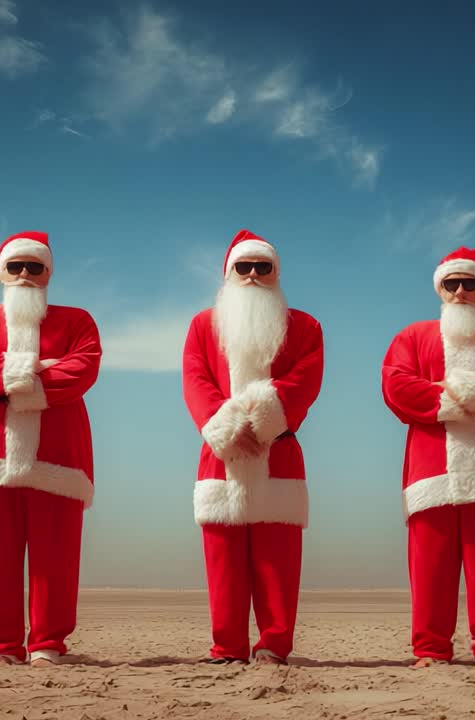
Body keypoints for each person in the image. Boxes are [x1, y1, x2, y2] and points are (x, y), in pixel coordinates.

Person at [0, 231, 102, 668]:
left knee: (58, 559)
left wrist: (8, 380)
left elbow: (83, 369)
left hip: (59, 455)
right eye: (17, 267)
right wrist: (34, 370)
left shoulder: (78, 321)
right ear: (1, 273)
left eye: (36, 267)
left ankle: (49, 643)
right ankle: (4, 646)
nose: (26, 275)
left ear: (49, 273)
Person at [380, 247, 475, 669]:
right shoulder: (412, 337)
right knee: (430, 566)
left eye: (471, 283)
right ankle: (431, 649)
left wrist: (464, 389)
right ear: (441, 288)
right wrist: (463, 397)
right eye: (453, 284)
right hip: (431, 468)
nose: (462, 291)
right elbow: (396, 385)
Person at [181, 228, 324, 666]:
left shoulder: (305, 327)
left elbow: (306, 377)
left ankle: (274, 646)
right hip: (220, 454)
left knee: (277, 563)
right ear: (229, 274)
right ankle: (226, 647)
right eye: (244, 267)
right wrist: (223, 426)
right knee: (222, 561)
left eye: (264, 268)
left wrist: (261, 418)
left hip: (277, 450)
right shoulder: (202, 326)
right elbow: (195, 378)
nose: (254, 275)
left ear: (276, 273)